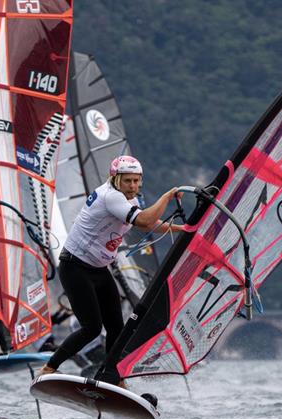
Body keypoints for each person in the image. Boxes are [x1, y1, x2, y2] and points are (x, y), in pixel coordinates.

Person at [38, 155, 182, 382]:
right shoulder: (110, 196)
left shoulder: (128, 200)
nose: (133, 186)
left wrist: (183, 229)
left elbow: (152, 224)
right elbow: (144, 221)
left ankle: (111, 377)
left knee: (117, 328)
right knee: (92, 328)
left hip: (98, 269)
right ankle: (49, 368)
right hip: (75, 267)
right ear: (115, 179)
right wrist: (167, 196)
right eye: (128, 181)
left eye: (136, 181)